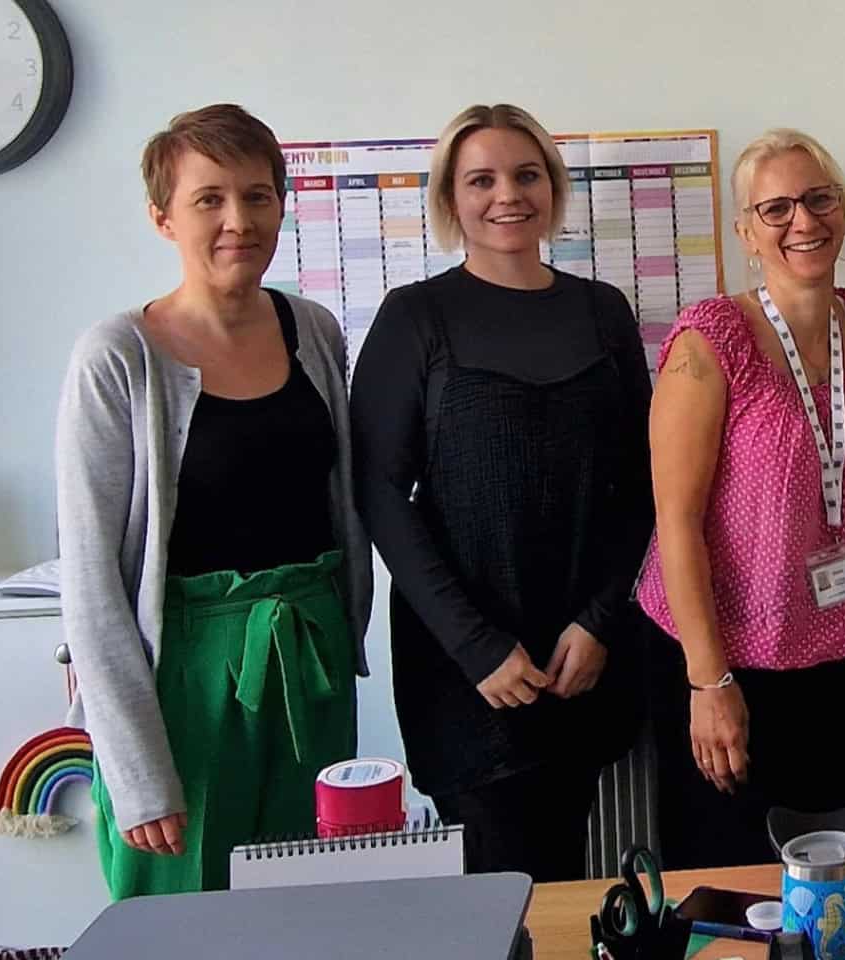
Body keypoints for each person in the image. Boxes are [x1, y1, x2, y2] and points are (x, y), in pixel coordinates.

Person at [55, 104, 373, 898]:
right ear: (163, 218)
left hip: (310, 657)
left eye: (258, 196)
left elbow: (345, 502)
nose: (239, 220)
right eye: (210, 199)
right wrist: (134, 769)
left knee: (312, 905)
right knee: (181, 911)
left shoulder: (314, 331)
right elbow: (90, 582)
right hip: (181, 678)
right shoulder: (116, 357)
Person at [350, 104, 653, 881]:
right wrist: (476, 647)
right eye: (480, 179)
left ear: (551, 187)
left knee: (562, 878)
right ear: (452, 201)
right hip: (466, 671)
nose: (506, 195)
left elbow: (642, 486)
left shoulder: (602, 311)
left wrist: (600, 621)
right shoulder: (415, 317)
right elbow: (381, 494)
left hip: (582, 656)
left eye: (525, 175)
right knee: (500, 883)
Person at [637, 129, 845, 869]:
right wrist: (709, 681)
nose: (803, 223)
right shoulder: (709, 340)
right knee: (732, 876)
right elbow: (676, 523)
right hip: (727, 655)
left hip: (843, 646)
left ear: (841, 211)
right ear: (746, 232)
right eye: (775, 209)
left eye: (818, 200)